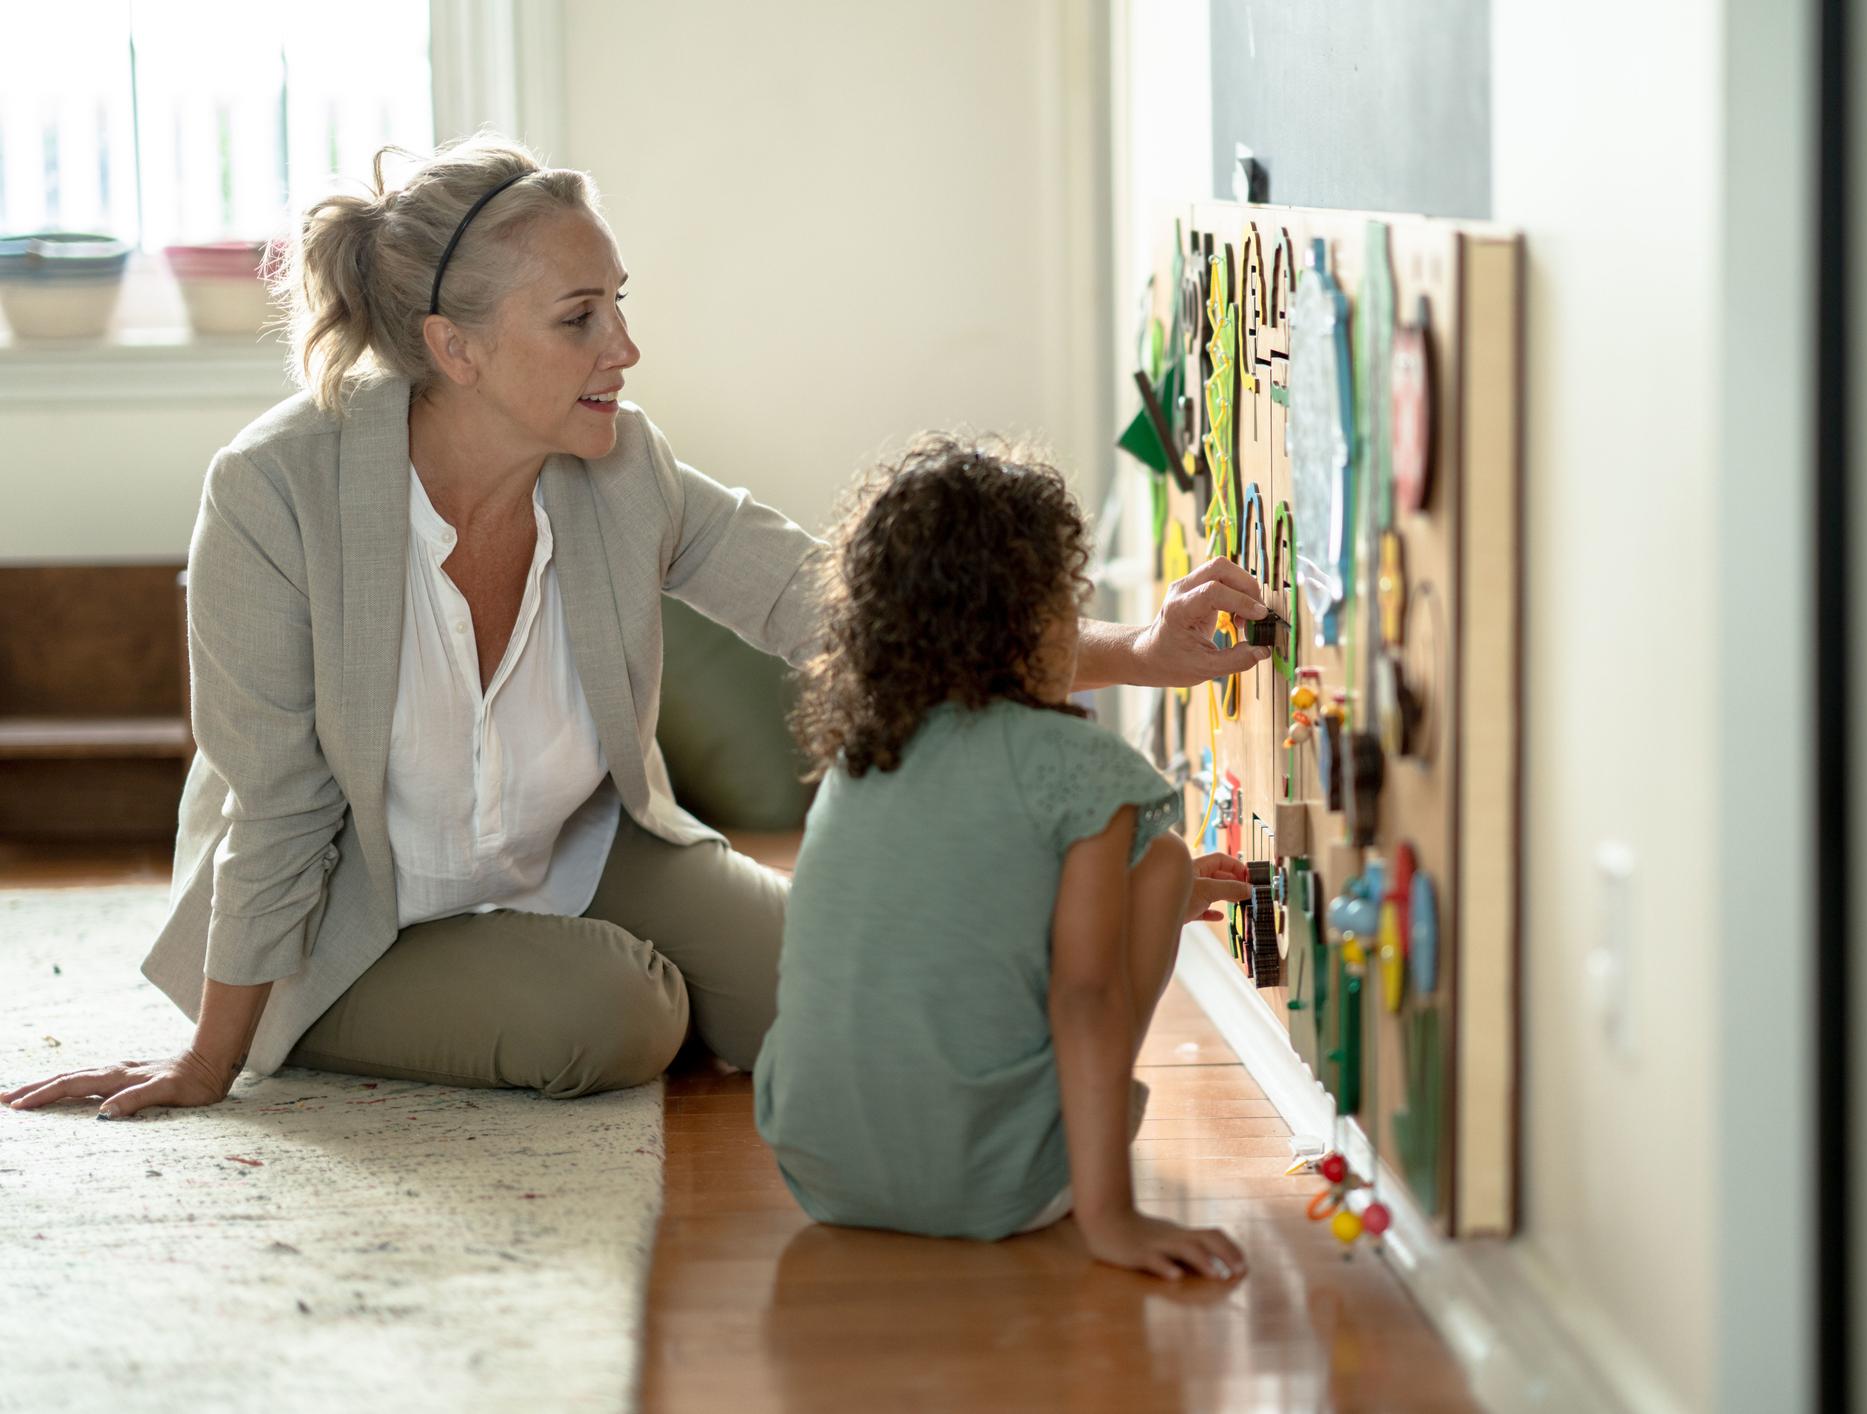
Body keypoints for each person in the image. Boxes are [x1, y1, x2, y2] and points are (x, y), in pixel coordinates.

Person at [2, 136, 1270, 1121]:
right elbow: (277, 810)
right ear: (455, 348)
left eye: (619, 301)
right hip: (358, 901)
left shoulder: (620, 466)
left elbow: (844, 608)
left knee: (839, 1010)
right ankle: (388, 1008)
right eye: (580, 318)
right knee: (614, 1017)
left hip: (584, 846)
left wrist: (1136, 652)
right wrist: (217, 1060)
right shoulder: (272, 493)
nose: (628, 344)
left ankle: (575, 963)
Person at [753, 436, 1252, 1282]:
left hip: (821, 1175)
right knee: (1162, 860)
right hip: (991, 1192)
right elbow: (1084, 996)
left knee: (1144, 883)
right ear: (1042, 618)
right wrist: (1113, 1219)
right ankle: (1086, 1191)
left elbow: (975, 906)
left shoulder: (865, 752)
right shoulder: (1081, 770)